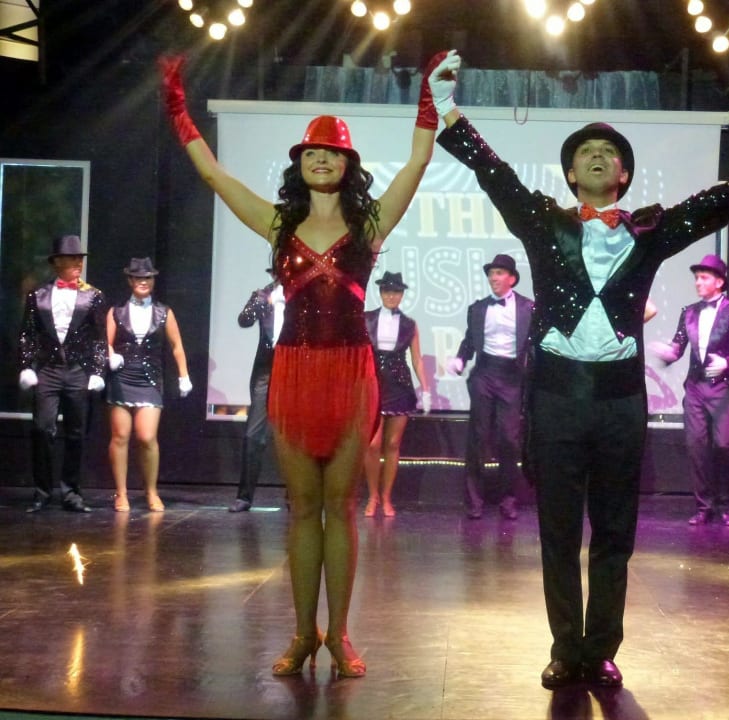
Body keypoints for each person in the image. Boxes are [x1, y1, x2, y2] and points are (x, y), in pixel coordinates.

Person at [428, 53, 729, 687]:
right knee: (559, 531)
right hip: (556, 396)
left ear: (624, 173)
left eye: (606, 152)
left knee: (615, 531)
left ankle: (602, 648)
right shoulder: (542, 220)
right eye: (584, 151)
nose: (595, 156)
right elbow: (492, 172)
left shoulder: (649, 232)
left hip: (618, 401)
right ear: (569, 172)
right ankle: (566, 649)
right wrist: (448, 109)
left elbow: (715, 201)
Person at [160, 49, 450, 677]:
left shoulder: (370, 224)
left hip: (351, 375)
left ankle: (339, 635)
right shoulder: (276, 225)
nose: (321, 158)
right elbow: (214, 176)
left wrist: (428, 96)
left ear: (349, 165)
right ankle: (301, 634)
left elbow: (418, 162)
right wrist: (179, 110)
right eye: (311, 151)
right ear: (299, 163)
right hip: (292, 373)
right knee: (301, 508)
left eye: (333, 152)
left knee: (340, 507)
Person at [651, 254, 729, 527]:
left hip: (723, 388)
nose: (698, 282)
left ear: (719, 282)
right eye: (696, 278)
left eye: (704, 278)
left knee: (724, 446)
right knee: (696, 446)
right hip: (696, 387)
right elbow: (678, 346)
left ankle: (725, 502)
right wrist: (667, 353)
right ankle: (703, 505)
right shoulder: (689, 312)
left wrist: (727, 362)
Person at [18, 234, 108, 513]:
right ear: (57, 262)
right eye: (72, 259)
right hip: (48, 369)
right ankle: (43, 491)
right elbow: (28, 334)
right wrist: (27, 365)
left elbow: (99, 337)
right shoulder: (38, 296)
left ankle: (71, 493)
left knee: (76, 432)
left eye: (80, 259)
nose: (78, 264)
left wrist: (97, 370)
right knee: (42, 428)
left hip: (78, 370)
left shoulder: (93, 296)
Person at [447, 253, 533, 520]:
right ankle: (474, 500)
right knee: (478, 437)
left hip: (512, 376)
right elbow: (470, 340)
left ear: (512, 279)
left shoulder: (528, 308)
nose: (493, 278)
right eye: (491, 274)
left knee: (509, 439)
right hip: (484, 373)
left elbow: (534, 344)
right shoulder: (478, 308)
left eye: (499, 273)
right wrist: (461, 358)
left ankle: (508, 499)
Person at [105, 257, 192, 513]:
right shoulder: (116, 311)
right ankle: (121, 493)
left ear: (153, 281)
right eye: (138, 278)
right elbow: (105, 342)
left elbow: (177, 346)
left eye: (148, 278)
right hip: (121, 377)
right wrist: (110, 356)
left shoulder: (164, 312)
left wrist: (184, 375)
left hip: (150, 379)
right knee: (120, 436)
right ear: (130, 280)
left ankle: (151, 491)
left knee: (147, 436)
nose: (143, 282)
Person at [363, 270, 430, 518]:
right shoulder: (366, 319)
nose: (391, 296)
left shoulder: (409, 324)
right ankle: (372, 496)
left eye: (396, 292)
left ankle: (386, 497)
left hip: (400, 385)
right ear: (380, 293)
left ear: (402, 295)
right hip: (373, 383)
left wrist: (426, 389)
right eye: (387, 291)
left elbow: (417, 359)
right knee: (373, 445)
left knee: (392, 444)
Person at [229, 271, 285, 513]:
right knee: (254, 433)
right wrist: (265, 302)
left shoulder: (303, 298)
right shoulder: (262, 295)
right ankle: (244, 497)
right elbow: (244, 320)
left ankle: (296, 496)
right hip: (266, 370)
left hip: (296, 368)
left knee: (293, 435)